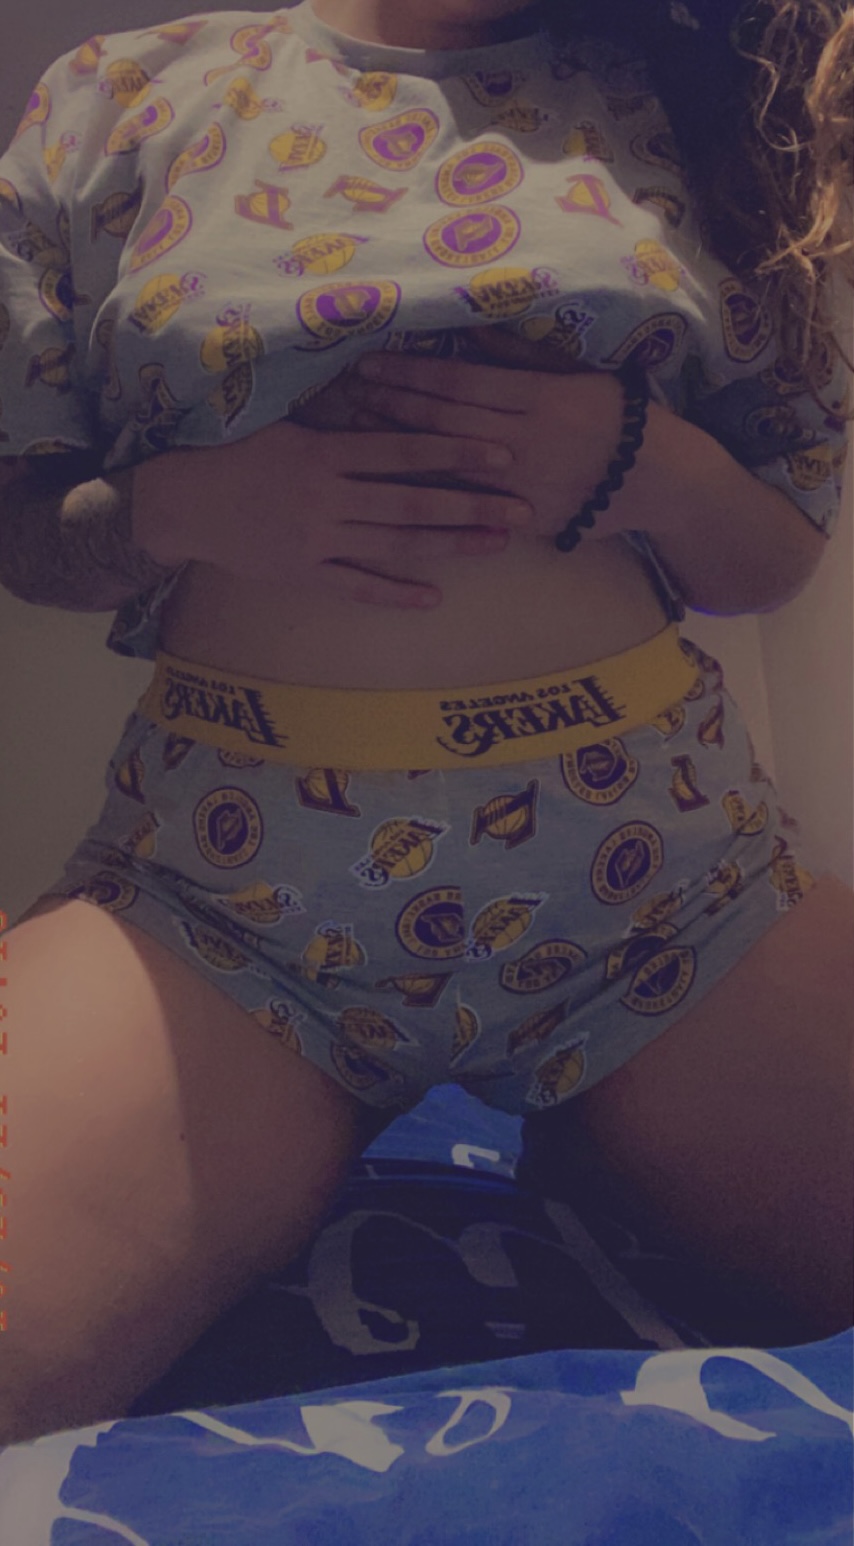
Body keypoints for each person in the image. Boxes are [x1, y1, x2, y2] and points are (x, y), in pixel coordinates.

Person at [0, 0, 851, 1445]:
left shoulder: (695, 101)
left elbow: (772, 553)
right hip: (224, 914)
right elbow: (25, 527)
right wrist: (184, 505)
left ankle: (616, 1134)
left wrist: (637, 458)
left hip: (670, 901)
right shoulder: (120, 94)